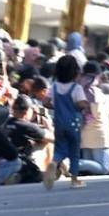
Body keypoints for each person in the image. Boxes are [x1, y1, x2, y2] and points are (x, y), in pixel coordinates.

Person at [42, 55, 89, 189]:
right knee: (74, 150)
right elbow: (80, 104)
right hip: (74, 124)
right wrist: (86, 104)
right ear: (75, 72)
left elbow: (45, 102)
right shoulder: (76, 88)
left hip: (59, 122)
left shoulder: (54, 87)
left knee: (60, 148)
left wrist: (55, 106)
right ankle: (74, 179)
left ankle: (54, 161)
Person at [78, 61, 109, 175]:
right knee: (104, 168)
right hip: (100, 135)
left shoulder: (79, 89)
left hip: (85, 133)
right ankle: (71, 163)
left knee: (90, 169)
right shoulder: (95, 92)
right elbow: (99, 113)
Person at [5, 95, 52, 183]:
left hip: (4, 160)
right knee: (43, 143)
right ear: (27, 110)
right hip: (21, 161)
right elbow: (53, 139)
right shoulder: (28, 127)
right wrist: (49, 126)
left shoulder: (4, 123)